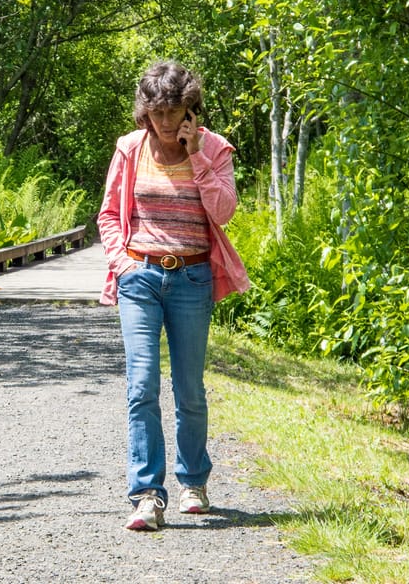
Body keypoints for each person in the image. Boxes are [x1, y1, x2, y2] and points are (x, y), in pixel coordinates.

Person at [97, 60, 250, 531]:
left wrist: (198, 156)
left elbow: (223, 212)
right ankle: (146, 495)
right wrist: (123, 264)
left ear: (191, 111)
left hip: (192, 279)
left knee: (190, 390)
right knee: (141, 386)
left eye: (175, 111)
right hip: (140, 278)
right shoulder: (130, 148)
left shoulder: (216, 149)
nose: (165, 122)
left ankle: (194, 483)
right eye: (157, 111)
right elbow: (107, 215)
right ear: (146, 110)